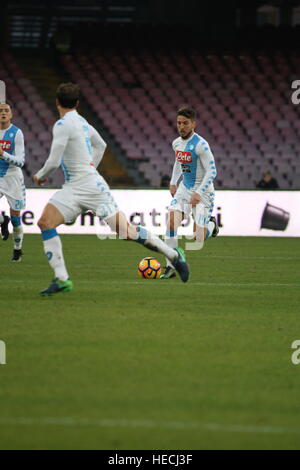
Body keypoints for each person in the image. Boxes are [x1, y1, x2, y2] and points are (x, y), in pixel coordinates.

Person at [33, 83, 189, 296]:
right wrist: (91, 168)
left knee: (125, 231)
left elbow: (53, 161)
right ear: (77, 103)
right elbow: (102, 145)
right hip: (85, 186)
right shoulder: (83, 122)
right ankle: (61, 279)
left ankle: (173, 255)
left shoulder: (61, 125)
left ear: (57, 102)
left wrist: (39, 176)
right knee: (46, 222)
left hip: (84, 186)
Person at [160, 105, 218, 279]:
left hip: (203, 191)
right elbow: (179, 161)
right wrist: (173, 182)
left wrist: (199, 192)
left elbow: (212, 171)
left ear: (194, 124)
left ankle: (212, 225)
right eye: (179, 123)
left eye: (185, 123)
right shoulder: (176, 143)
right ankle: (171, 265)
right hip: (184, 188)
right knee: (171, 222)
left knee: (198, 237)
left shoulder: (201, 145)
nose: (181, 127)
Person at [0, 102, 25, 261]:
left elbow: (21, 161)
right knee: (10, 219)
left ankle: (17, 249)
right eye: (0, 110)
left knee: (16, 219)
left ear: (11, 114)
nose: (3, 113)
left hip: (13, 178)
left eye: (6, 110)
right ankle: (3, 220)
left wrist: (3, 154)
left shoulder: (16, 133)